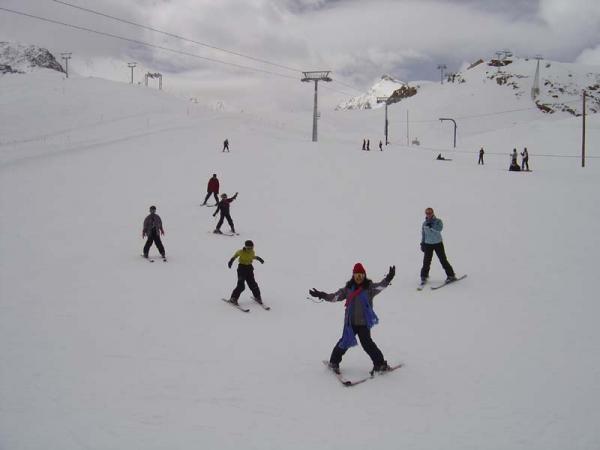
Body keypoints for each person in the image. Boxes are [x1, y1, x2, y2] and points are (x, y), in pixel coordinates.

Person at [309, 263, 396, 374]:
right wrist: (323, 295)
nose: (359, 277)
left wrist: (388, 278)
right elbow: (335, 297)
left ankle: (380, 364)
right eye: (356, 275)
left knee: (367, 344)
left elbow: (380, 286)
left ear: (364, 275)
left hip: (364, 323)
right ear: (353, 276)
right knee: (344, 342)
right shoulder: (348, 289)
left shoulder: (369, 288)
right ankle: (334, 363)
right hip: (351, 323)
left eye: (361, 275)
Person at [420, 208, 456, 283]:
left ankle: (451, 275)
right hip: (428, 244)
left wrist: (432, 227)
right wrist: (422, 243)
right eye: (427, 213)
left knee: (443, 259)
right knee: (426, 261)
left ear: (433, 213)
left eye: (430, 213)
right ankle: (424, 276)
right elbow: (423, 234)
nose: (428, 214)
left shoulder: (438, 221)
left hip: (438, 243)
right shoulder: (424, 223)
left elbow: (440, 229)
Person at [227, 240, 264, 304]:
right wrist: (231, 261)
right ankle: (233, 298)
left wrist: (258, 258)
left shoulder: (252, 251)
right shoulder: (240, 251)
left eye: (251, 248)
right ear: (246, 247)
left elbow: (252, 257)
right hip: (242, 269)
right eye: (248, 248)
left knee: (253, 284)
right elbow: (235, 256)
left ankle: (257, 296)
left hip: (249, 268)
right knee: (241, 285)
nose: (250, 249)